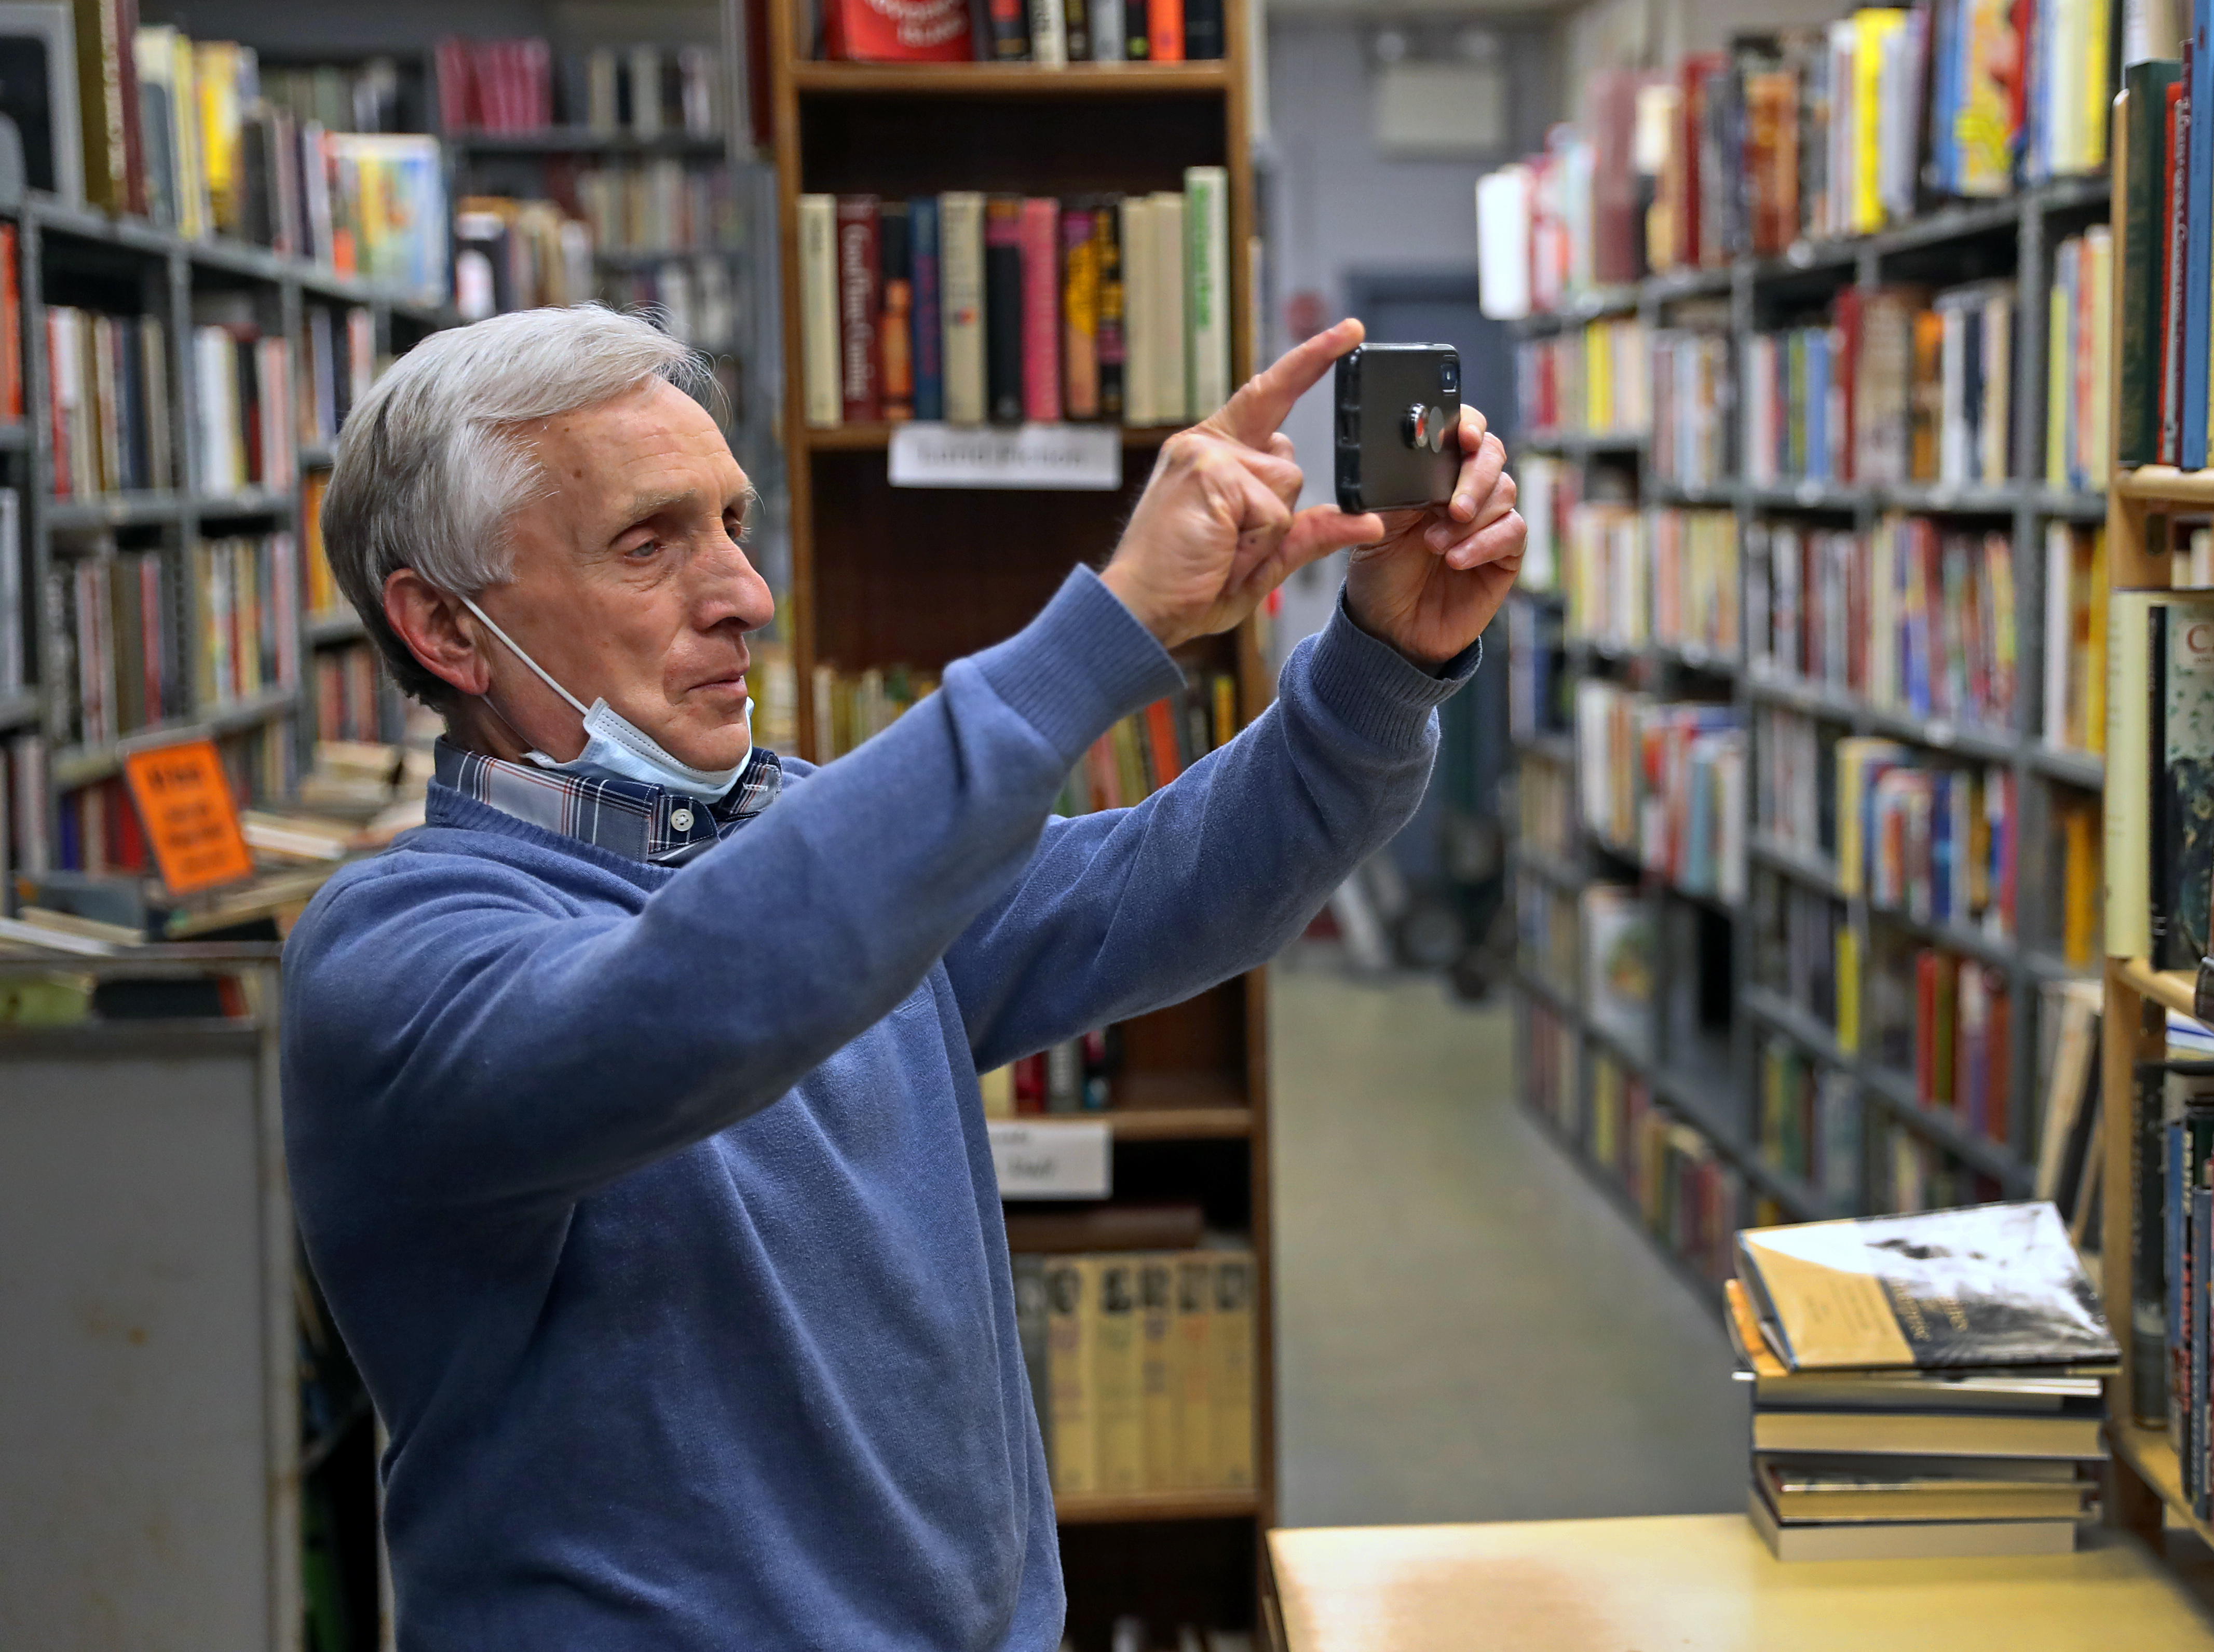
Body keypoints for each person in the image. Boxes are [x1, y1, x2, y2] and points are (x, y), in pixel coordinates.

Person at [279, 304, 1524, 1650]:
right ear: (448, 632)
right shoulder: (394, 953)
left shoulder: (792, 830)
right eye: (649, 544)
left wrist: (1385, 666)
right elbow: (695, 999)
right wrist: (1099, 633)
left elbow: (1157, 889)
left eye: (732, 525)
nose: (745, 596)